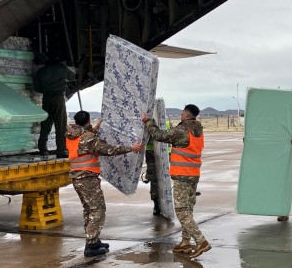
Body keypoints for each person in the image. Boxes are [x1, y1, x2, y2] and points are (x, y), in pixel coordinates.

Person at [67, 111, 143, 257]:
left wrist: (98, 125)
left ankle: (93, 239)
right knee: (98, 210)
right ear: (88, 120)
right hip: (87, 178)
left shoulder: (72, 135)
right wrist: (131, 148)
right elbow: (109, 150)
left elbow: (87, 136)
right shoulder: (88, 138)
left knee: (89, 209)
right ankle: (90, 245)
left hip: (77, 178)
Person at [142, 104, 210, 258]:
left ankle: (201, 241)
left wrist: (148, 122)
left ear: (186, 115)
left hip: (182, 175)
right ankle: (185, 242)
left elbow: (159, 136)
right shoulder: (198, 130)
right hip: (194, 174)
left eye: (182, 113)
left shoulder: (182, 130)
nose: (180, 115)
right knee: (188, 209)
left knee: (181, 211)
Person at [34, 54, 74, 158]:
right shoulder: (61, 68)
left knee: (46, 124)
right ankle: (61, 150)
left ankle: (42, 148)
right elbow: (72, 76)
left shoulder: (41, 71)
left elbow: (37, 88)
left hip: (46, 98)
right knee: (60, 125)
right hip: (58, 98)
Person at [144, 134, 162, 216]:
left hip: (163, 153)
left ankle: (165, 202)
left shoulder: (167, 122)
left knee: (164, 179)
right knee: (154, 179)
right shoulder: (147, 122)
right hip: (151, 152)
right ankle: (156, 203)